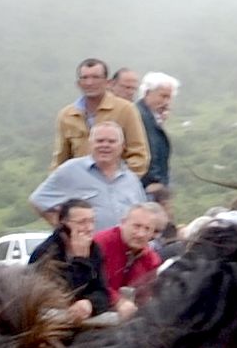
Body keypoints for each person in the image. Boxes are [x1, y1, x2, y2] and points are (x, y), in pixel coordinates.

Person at [31, 119, 147, 230]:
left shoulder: (132, 180)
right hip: (87, 249)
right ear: (90, 144)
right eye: (100, 141)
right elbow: (39, 200)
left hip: (123, 249)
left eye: (111, 141)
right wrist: (65, 230)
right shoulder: (71, 170)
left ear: (122, 147)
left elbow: (143, 216)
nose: (105, 145)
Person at [55, 59, 150, 173]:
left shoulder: (126, 110)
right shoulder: (67, 115)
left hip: (116, 184)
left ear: (108, 82)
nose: (90, 83)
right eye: (84, 78)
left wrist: (119, 180)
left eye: (95, 77)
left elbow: (139, 155)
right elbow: (60, 160)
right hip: (78, 186)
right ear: (78, 83)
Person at [92, 199, 171, 309]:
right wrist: (119, 302)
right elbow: (91, 283)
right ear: (123, 223)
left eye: (147, 229)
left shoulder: (152, 261)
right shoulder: (99, 244)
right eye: (136, 226)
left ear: (153, 233)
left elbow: (146, 297)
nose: (141, 234)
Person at [136, 73, 179, 201]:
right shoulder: (140, 116)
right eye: (163, 96)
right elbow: (149, 150)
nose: (166, 102)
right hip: (149, 188)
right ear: (147, 93)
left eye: (169, 98)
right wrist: (154, 180)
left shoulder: (151, 117)